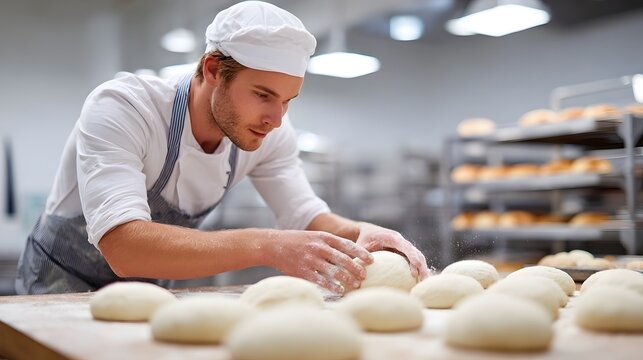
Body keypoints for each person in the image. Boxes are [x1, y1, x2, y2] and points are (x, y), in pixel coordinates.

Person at [16, 1, 429, 295]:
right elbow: (124, 245)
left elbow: (305, 215)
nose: (277, 118)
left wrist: (361, 233)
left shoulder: (268, 134)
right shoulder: (125, 108)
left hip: (149, 291)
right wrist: (268, 245)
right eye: (263, 94)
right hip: (60, 286)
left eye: (288, 101)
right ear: (213, 69)